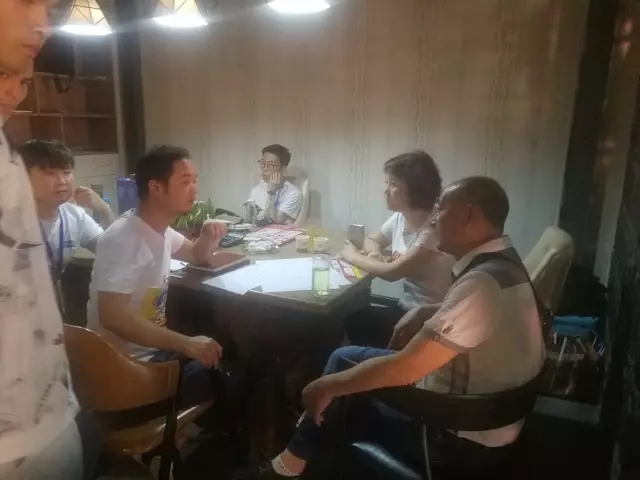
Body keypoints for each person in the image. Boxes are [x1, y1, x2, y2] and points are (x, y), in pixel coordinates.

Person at [235, 177, 545, 479]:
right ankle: (304, 451)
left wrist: (323, 387)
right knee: (344, 362)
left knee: (338, 378)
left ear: (468, 215)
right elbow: (484, 317)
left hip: (457, 439)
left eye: (442, 209)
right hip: (494, 419)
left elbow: (406, 368)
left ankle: (291, 464)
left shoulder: (480, 284)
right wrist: (427, 310)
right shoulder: (506, 265)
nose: (434, 219)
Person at [0, 1, 99, 479]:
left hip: (46, 407)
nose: (43, 22)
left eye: (22, 81)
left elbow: (104, 242)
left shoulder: (68, 214)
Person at [87, 145, 229, 409]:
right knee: (230, 368)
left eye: (195, 181)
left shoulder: (158, 229)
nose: (194, 189)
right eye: (185, 181)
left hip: (149, 353)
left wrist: (208, 236)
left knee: (223, 342)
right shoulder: (124, 238)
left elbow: (195, 254)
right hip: (127, 370)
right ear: (156, 187)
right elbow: (112, 315)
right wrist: (186, 344)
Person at [340, 151, 454, 348]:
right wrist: (375, 253)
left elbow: (392, 273)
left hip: (429, 319)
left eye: (392, 184)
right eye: (387, 183)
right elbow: (374, 238)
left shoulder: (434, 227)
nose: (385, 191)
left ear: (416, 189)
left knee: (351, 320)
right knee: (353, 317)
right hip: (408, 308)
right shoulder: (402, 216)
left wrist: (350, 255)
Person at [19, 139, 115, 282]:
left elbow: (114, 252)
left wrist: (103, 209)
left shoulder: (74, 216)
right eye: (50, 173)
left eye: (66, 172)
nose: (62, 181)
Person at [247, 144, 302, 225]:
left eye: (270, 164)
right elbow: (249, 220)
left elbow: (276, 222)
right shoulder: (256, 190)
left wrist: (271, 193)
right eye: (262, 163)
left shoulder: (294, 193)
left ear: (283, 168)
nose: (265, 167)